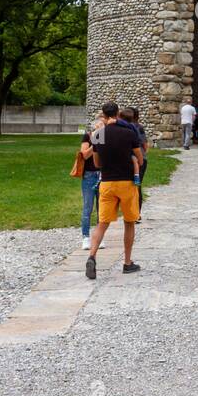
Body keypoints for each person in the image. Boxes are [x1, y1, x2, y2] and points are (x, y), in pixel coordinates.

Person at [85, 102, 143, 280]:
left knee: (102, 223)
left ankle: (92, 256)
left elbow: (96, 163)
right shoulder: (128, 132)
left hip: (107, 183)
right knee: (129, 222)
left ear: (103, 114)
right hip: (126, 182)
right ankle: (127, 262)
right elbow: (140, 158)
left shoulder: (99, 134)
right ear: (117, 113)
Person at [72, 122, 102, 250]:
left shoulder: (108, 137)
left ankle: (100, 237)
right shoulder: (87, 137)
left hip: (103, 174)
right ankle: (86, 237)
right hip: (89, 175)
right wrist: (96, 140)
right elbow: (84, 155)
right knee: (88, 207)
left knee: (102, 208)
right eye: (99, 126)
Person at [121, 107, 149, 220]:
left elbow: (144, 145)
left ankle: (133, 213)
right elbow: (145, 145)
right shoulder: (138, 127)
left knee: (133, 186)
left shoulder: (134, 128)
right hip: (139, 159)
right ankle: (135, 213)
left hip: (133, 159)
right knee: (136, 186)